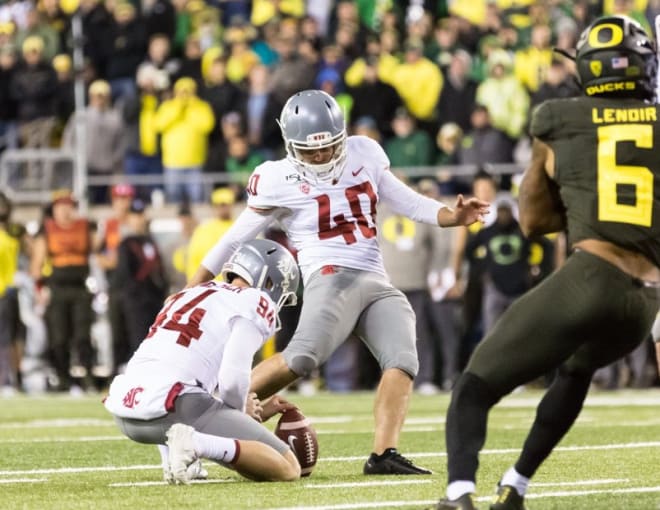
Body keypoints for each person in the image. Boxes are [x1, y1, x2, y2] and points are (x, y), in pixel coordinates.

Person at [188, 89, 489, 475]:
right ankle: (206, 415)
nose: (320, 156)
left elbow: (406, 200)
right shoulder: (276, 178)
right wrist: (194, 284)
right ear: (289, 144)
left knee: (402, 358)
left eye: (329, 147)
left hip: (375, 278)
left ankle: (383, 454)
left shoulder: (365, 153)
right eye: (310, 150)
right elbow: (235, 237)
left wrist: (451, 215)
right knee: (303, 357)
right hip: (329, 276)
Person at [435, 16, 660, 509]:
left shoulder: (559, 117)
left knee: (473, 385)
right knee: (577, 371)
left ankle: (458, 494)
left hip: (591, 274)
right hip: (645, 300)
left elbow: (534, 222)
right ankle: (515, 484)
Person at [104, 239, 302, 484]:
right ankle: (194, 444)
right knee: (288, 467)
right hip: (173, 409)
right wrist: (239, 413)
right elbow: (232, 375)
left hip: (126, 411)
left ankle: (175, 458)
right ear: (269, 280)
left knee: (180, 384)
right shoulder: (255, 301)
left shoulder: (191, 292)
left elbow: (169, 360)